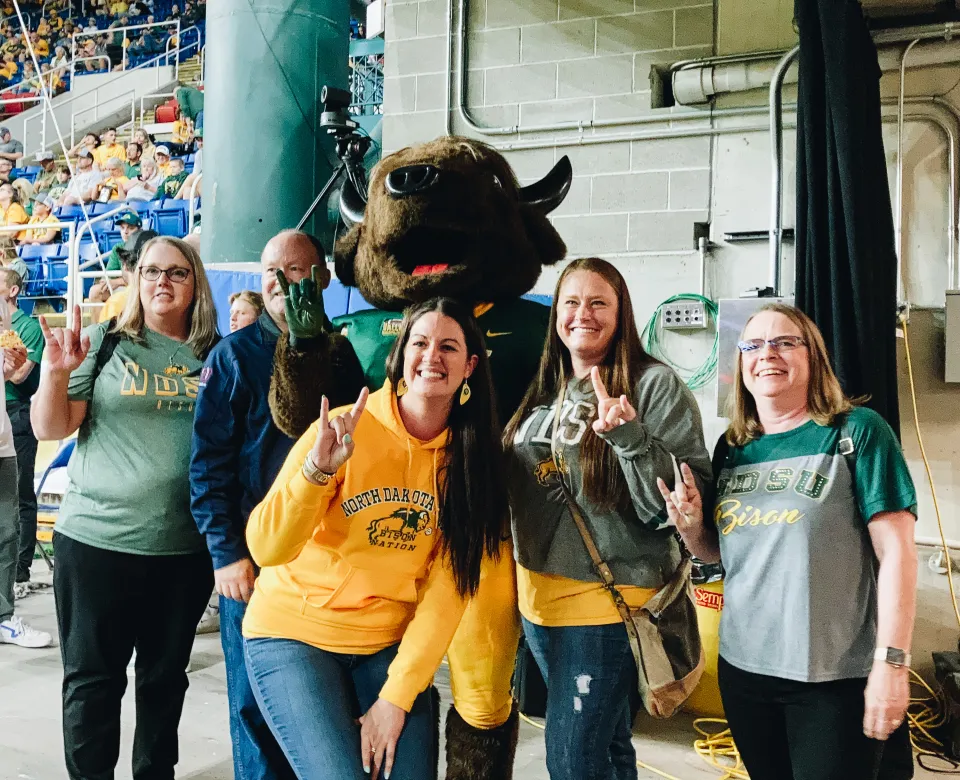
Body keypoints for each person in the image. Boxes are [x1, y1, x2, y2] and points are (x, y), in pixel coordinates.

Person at [242, 296, 508, 780]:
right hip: (293, 632)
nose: (432, 357)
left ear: (470, 365)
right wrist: (315, 472)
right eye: (420, 343)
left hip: (383, 641)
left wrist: (396, 698)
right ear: (402, 354)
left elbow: (446, 595)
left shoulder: (471, 463)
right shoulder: (345, 429)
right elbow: (266, 548)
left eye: (449, 347)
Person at [657, 302, 918, 780]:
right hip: (745, 673)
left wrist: (892, 664)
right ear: (740, 363)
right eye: (753, 345)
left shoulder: (855, 433)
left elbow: (898, 554)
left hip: (831, 679)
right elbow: (720, 555)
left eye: (784, 342)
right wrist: (692, 527)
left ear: (812, 355)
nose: (767, 354)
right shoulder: (734, 446)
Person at [503, 257, 711, 779]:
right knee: (609, 747)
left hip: (608, 603)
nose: (583, 314)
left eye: (599, 302)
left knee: (573, 760)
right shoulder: (543, 388)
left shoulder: (653, 385)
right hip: (539, 604)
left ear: (621, 314)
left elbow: (677, 504)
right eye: (571, 302)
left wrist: (630, 437)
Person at [31, 237, 220, 780]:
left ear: (195, 283)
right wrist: (55, 372)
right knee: (94, 681)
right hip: (96, 542)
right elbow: (52, 426)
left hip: (184, 549)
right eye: (151, 270)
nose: (163, 281)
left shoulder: (214, 354)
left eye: (177, 273)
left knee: (164, 681)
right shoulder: (104, 343)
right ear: (136, 279)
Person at [191, 230, 364, 780]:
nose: (277, 281)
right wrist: (225, 554)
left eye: (292, 270)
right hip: (258, 565)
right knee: (257, 713)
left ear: (321, 279)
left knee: (323, 714)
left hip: (332, 567)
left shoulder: (341, 356)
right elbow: (208, 466)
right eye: (269, 271)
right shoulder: (234, 356)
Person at [0, 295, 51, 647]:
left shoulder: (7, 319)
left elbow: (13, 373)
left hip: (3, 442)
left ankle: (3, 616)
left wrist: (9, 367)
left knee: (7, 532)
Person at [0, 269, 43, 598]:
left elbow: (18, 376)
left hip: (17, 414)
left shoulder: (27, 327)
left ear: (12, 290)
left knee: (20, 497)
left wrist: (12, 368)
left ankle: (20, 572)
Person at [0, 182, 27, 260]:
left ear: (10, 194)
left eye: (2, 190)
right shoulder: (1, 209)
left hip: (17, 245)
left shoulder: (15, 208)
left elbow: (11, 233)